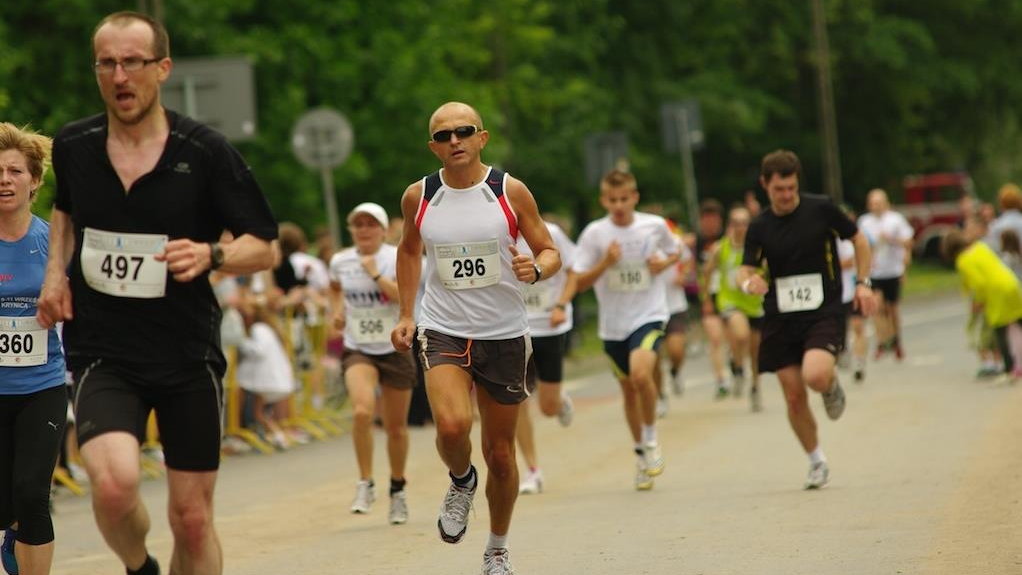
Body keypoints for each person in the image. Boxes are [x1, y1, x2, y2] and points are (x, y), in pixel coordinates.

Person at [35, 12, 277, 575]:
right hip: (104, 350)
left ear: (162, 68)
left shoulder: (205, 150)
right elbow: (65, 211)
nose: (120, 75)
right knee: (114, 485)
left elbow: (264, 245)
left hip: (187, 353)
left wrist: (213, 254)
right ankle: (140, 567)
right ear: (97, 70)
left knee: (192, 520)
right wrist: (55, 275)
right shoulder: (76, 144)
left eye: (133, 62)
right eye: (107, 63)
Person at [390, 102, 560, 574]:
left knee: (502, 456)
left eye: (463, 132)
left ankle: (497, 549)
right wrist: (407, 313)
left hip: (503, 334)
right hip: (444, 327)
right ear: (433, 147)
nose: (454, 141)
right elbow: (408, 251)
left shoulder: (508, 191)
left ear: (481, 137)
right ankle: (461, 480)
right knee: (450, 426)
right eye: (443, 136)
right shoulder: (419, 196)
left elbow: (549, 250)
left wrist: (536, 268)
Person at [738, 150, 875, 490]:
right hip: (780, 317)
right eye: (779, 189)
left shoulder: (822, 209)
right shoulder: (759, 226)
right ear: (764, 186)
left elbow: (859, 239)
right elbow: (745, 267)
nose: (786, 195)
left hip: (823, 310)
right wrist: (748, 282)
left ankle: (830, 385)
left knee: (815, 375)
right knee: (794, 397)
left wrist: (862, 283)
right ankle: (816, 460)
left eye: (791, 188)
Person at [573, 170, 680, 491]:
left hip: (649, 313)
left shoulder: (654, 225)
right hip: (613, 325)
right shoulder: (595, 234)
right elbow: (577, 282)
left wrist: (664, 263)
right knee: (628, 392)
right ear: (603, 200)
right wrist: (605, 264)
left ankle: (650, 437)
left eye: (624, 199)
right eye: (612, 200)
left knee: (640, 374)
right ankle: (640, 457)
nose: (619, 205)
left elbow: (676, 251)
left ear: (635, 197)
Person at [0, 123, 66, 575]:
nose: (4, 179)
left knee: (31, 493)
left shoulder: (50, 243)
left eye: (15, 171)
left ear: (35, 181)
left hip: (41, 384)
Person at [329, 202, 417, 525]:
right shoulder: (340, 261)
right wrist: (336, 311)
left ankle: (398, 489)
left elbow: (405, 295)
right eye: (358, 224)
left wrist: (375, 273)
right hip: (358, 348)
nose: (364, 230)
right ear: (352, 230)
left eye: (370, 224)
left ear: (382, 229)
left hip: (395, 345)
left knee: (395, 428)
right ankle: (365, 482)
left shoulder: (396, 256)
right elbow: (335, 290)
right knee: (363, 411)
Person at [515, 219, 578, 494]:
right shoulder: (491, 232)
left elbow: (574, 271)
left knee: (547, 407)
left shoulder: (549, 232)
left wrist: (561, 305)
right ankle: (532, 470)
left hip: (549, 324)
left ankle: (559, 401)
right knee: (517, 400)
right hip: (513, 328)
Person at [703, 206, 765, 411]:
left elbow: (767, 272)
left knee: (756, 352)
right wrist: (707, 299)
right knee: (741, 335)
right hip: (730, 301)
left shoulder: (757, 249)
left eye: (744, 223)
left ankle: (755, 386)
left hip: (754, 304)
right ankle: (738, 368)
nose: (741, 227)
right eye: (736, 223)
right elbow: (707, 272)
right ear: (730, 225)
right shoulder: (721, 249)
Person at [943, 222, 1022, 377]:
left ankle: (1009, 368)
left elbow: (978, 283)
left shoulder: (963, 260)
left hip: (996, 292)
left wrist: (978, 301)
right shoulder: (980, 247)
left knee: (1000, 330)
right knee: (1019, 320)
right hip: (1011, 284)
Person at [857, 189, 914, 360]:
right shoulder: (864, 222)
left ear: (886, 203)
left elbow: (909, 243)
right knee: (877, 307)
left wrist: (892, 240)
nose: (876, 206)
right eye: (873, 203)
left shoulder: (895, 220)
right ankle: (882, 341)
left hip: (893, 270)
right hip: (875, 272)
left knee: (893, 309)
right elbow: (861, 245)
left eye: (879, 203)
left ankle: (897, 340)